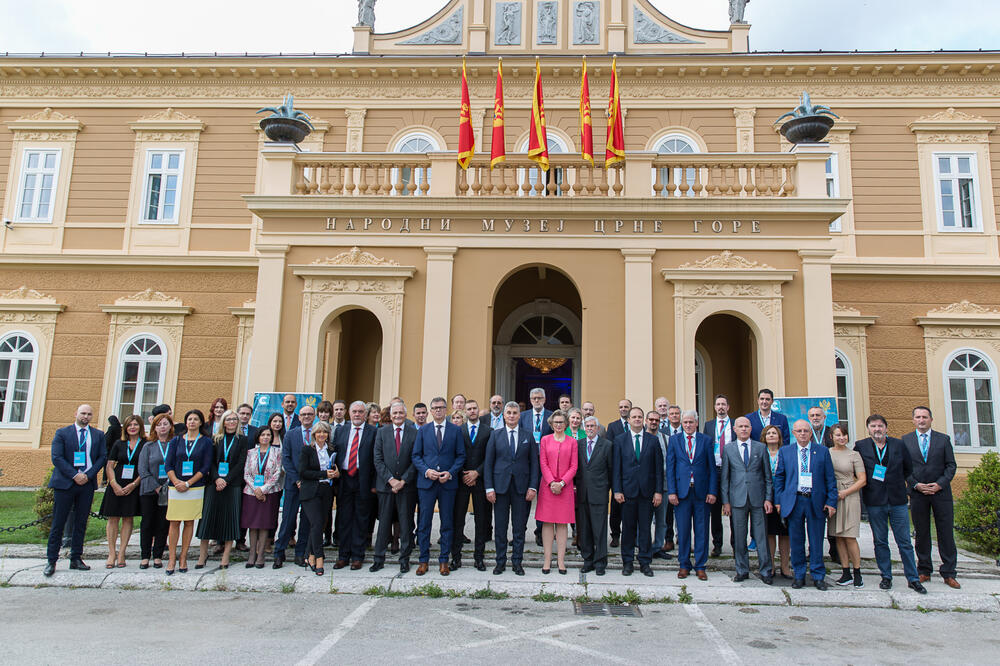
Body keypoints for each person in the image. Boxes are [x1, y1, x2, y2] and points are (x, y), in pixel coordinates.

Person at [855, 414, 926, 594]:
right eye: (873, 426)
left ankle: (913, 578)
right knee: (880, 541)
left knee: (904, 541)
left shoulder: (899, 445)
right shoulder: (861, 446)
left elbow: (908, 469)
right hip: (874, 500)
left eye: (880, 426)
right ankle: (886, 576)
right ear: (868, 429)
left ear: (886, 428)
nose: (877, 429)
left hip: (897, 500)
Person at [44, 404, 108, 577]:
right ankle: (51, 560)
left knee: (81, 522)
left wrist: (88, 475)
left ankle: (76, 557)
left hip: (86, 484)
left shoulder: (98, 435)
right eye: (83, 413)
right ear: (76, 413)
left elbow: (102, 457)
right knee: (59, 522)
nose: (86, 417)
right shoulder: (62, 433)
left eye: (89, 414)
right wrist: (74, 475)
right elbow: (57, 457)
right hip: (65, 483)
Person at [773, 419, 838, 590]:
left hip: (815, 500)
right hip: (794, 501)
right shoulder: (785, 451)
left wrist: (831, 502)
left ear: (811, 433)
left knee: (816, 540)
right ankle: (799, 575)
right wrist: (779, 500)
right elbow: (779, 477)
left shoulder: (822, 451)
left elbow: (830, 479)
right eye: (799, 431)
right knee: (796, 540)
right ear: (793, 433)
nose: (802, 434)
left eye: (806, 431)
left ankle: (818, 575)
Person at [903, 406, 959, 589]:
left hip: (940, 493)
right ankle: (924, 570)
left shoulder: (943, 440)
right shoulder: (906, 440)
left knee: (945, 533)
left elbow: (951, 465)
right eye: (918, 417)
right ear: (913, 420)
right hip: (918, 493)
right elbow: (904, 468)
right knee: (922, 533)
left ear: (931, 419)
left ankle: (949, 572)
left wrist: (939, 484)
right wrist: (915, 484)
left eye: (925, 417)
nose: (921, 420)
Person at [412, 397, 465, 576]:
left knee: (447, 523)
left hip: (447, 483)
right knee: (424, 523)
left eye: (441, 408)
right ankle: (423, 560)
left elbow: (460, 456)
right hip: (427, 483)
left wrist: (450, 472)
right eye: (435, 408)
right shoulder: (423, 430)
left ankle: (444, 560)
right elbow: (416, 456)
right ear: (430, 411)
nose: (438, 411)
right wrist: (426, 471)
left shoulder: (455, 430)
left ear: (446, 410)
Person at [485, 401, 538, 575]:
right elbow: (489, 463)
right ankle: (500, 562)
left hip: (521, 489)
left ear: (519, 415)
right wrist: (489, 488)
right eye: (509, 413)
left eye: (515, 413)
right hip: (500, 488)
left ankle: (517, 562)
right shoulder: (495, 435)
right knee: (500, 527)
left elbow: (534, 464)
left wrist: (533, 487)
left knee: (519, 528)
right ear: (504, 415)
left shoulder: (528, 435)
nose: (512, 416)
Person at [720, 416, 774, 584]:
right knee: (739, 537)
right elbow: (725, 478)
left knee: (761, 537)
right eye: (740, 426)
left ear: (751, 429)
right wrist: (726, 501)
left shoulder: (761, 448)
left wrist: (768, 498)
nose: (743, 429)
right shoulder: (728, 449)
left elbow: (768, 477)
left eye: (746, 426)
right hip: (737, 500)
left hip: (758, 499)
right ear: (734, 430)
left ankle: (765, 571)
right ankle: (742, 570)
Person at [613, 407, 663, 577]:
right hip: (627, 492)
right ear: (629, 420)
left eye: (639, 417)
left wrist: (658, 492)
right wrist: (617, 490)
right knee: (627, 528)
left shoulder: (653, 440)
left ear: (644, 420)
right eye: (634, 417)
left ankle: (644, 562)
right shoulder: (620, 440)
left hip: (647, 493)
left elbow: (658, 469)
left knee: (645, 529)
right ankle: (627, 562)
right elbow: (616, 468)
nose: (636, 419)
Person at [667, 410, 716, 580]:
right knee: (683, 530)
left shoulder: (706, 440)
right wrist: (672, 491)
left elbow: (712, 469)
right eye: (685, 422)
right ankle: (684, 565)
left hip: (701, 492)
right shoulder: (674, 440)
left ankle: (701, 565)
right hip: (682, 493)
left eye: (690, 422)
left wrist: (712, 491)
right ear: (682, 423)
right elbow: (670, 468)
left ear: (696, 423)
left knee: (702, 530)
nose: (687, 425)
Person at [195, 410, 247, 569]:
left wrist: (226, 479)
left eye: (234, 419)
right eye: (228, 419)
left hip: (232, 484)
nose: (231, 422)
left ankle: (225, 556)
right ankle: (202, 555)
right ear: (223, 422)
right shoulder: (215, 439)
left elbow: (241, 463)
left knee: (230, 519)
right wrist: (217, 478)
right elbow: (209, 461)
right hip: (214, 483)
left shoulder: (242, 440)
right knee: (208, 518)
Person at [164, 409, 213, 575]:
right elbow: (168, 464)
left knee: (189, 522)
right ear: (186, 422)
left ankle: (183, 558)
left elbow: (206, 466)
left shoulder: (206, 442)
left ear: (201, 422)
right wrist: (177, 482)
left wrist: (188, 483)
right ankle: (171, 559)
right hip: (176, 486)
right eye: (189, 419)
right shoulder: (176, 441)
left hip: (195, 486)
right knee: (174, 522)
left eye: (195, 419)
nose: (192, 422)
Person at [372, 401, 418, 573]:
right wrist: (391, 480)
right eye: (395, 413)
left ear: (405, 415)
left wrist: (403, 481)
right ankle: (378, 559)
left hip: (407, 487)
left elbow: (416, 459)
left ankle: (404, 559)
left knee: (405, 525)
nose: (398, 416)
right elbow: (377, 459)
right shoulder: (382, 433)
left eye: (400, 413)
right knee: (383, 524)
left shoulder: (414, 433)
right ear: (390, 416)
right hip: (386, 487)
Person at [333, 401, 377, 569]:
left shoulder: (373, 432)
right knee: (344, 518)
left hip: (363, 479)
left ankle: (358, 556)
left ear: (365, 415)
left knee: (361, 518)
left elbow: (376, 460)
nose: (357, 414)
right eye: (354, 412)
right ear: (349, 414)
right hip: (344, 478)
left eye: (360, 412)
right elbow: (335, 456)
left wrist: (373, 484)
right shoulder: (341, 431)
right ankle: (343, 555)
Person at [99, 415, 145, 568]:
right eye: (130, 425)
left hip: (134, 484)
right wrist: (113, 484)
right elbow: (110, 465)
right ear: (125, 427)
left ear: (140, 427)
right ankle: (111, 553)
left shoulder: (145, 444)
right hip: (117, 483)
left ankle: (122, 553)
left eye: (135, 424)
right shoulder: (119, 443)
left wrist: (134, 484)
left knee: (128, 518)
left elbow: (146, 467)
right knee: (113, 518)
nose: (133, 427)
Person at [537, 410, 579, 575]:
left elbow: (574, 466)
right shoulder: (545, 440)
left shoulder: (572, 442)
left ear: (566, 424)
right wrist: (551, 482)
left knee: (562, 525)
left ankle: (561, 561)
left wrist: (561, 483)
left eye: (561, 422)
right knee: (547, 523)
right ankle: (547, 560)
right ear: (551, 424)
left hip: (565, 487)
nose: (559, 425)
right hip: (548, 487)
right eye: (556, 422)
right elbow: (543, 463)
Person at [452, 399, 490, 571]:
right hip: (461, 480)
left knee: (481, 521)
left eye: (475, 408)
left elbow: (490, 457)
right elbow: (453, 455)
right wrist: (465, 473)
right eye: (469, 409)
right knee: (458, 520)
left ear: (478, 410)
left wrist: (477, 472)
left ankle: (479, 558)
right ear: (465, 411)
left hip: (480, 480)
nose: (472, 411)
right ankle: (456, 558)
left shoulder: (488, 431)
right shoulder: (457, 431)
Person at [275, 406, 316, 568]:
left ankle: (300, 554)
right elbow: (286, 459)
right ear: (299, 418)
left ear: (314, 417)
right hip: (293, 485)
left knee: (306, 521)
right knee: (288, 520)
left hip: (311, 486)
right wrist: (297, 480)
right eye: (304, 414)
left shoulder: (318, 434)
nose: (306, 417)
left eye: (309, 414)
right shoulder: (291, 435)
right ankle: (279, 553)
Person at [827, 423, 866, 587]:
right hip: (833, 496)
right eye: (837, 435)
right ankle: (845, 572)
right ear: (831, 437)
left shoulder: (854, 455)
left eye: (843, 435)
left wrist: (845, 492)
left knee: (850, 536)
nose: (841, 438)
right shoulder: (827, 453)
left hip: (849, 496)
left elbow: (862, 480)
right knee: (838, 537)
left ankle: (857, 572)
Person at [298, 421, 338, 576]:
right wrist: (323, 474)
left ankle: (310, 555)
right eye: (319, 432)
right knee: (316, 523)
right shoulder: (307, 450)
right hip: (310, 491)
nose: (322, 435)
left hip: (326, 490)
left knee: (320, 524)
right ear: (314, 434)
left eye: (325, 432)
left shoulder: (332, 450)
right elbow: (303, 472)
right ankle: (320, 559)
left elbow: (334, 469)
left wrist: (335, 473)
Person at [575, 416, 613, 575]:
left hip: (599, 493)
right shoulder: (579, 444)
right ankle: (588, 560)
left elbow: (611, 470)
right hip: (582, 494)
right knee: (584, 530)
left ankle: (600, 562)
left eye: (592, 426)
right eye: (587, 426)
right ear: (584, 428)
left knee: (599, 529)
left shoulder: (607, 445)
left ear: (598, 428)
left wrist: (606, 488)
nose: (590, 428)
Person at [242, 427, 283, 568]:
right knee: (252, 524)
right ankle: (252, 553)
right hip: (251, 492)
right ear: (258, 437)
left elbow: (277, 473)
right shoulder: (250, 452)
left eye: (268, 435)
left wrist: (264, 489)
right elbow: (246, 473)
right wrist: (256, 489)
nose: (265, 437)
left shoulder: (277, 452)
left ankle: (261, 555)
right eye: (263, 435)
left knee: (264, 524)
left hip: (270, 492)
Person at [138, 413, 173, 569]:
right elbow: (142, 469)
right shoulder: (148, 446)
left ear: (170, 426)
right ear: (154, 428)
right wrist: (157, 487)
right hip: (150, 490)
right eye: (159, 424)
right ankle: (145, 555)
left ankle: (158, 555)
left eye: (165, 424)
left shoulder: (174, 445)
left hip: (169, 489)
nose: (162, 427)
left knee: (162, 523)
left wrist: (167, 485)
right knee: (147, 523)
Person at [703, 394, 735, 558]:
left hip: (732, 471)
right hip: (714, 470)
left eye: (723, 404)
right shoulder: (708, 426)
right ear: (715, 407)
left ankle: (736, 544)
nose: (721, 407)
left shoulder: (736, 424)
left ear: (728, 407)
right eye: (718, 404)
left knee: (733, 508)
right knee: (714, 510)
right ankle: (717, 544)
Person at [762, 425, 792, 579]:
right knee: (769, 533)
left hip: (784, 496)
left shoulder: (786, 452)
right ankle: (771, 565)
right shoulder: (761, 452)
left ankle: (785, 566)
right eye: (769, 433)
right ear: (764, 437)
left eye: (774, 433)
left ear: (779, 437)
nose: (772, 435)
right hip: (766, 497)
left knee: (784, 533)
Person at [605, 398, 632, 548]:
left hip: (633, 473)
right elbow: (610, 448)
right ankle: (615, 535)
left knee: (630, 506)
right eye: (621, 407)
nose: (623, 409)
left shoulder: (637, 425)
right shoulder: (613, 426)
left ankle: (630, 536)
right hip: (618, 471)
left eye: (626, 407)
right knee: (616, 507)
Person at [646, 411, 674, 561]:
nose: (653, 422)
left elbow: (670, 463)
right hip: (644, 486)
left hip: (662, 485)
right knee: (644, 519)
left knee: (661, 519)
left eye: (656, 420)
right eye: (651, 419)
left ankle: (658, 547)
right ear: (646, 421)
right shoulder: (640, 437)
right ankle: (643, 546)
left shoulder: (666, 439)